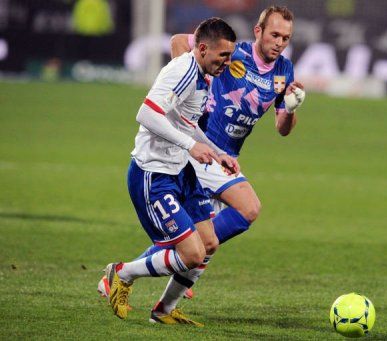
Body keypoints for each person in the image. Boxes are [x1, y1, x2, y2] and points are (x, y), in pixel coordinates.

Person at [99, 5, 306, 313]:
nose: (279, 42)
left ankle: (168, 297)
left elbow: (282, 129)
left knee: (205, 243)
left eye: (286, 38)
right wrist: (186, 92)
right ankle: (169, 267)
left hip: (218, 153)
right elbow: (180, 43)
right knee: (246, 209)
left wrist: (290, 107)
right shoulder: (232, 52)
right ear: (259, 31)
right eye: (275, 34)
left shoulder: (283, 71)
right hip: (197, 149)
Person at [103, 17, 238, 325]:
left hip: (181, 170)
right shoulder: (182, 71)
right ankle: (121, 273)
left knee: (209, 243)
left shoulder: (205, 75)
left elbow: (186, 124)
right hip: (154, 173)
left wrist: (218, 154)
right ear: (203, 49)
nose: (227, 63)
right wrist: (190, 147)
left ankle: (164, 311)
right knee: (191, 254)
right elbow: (146, 113)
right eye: (223, 56)